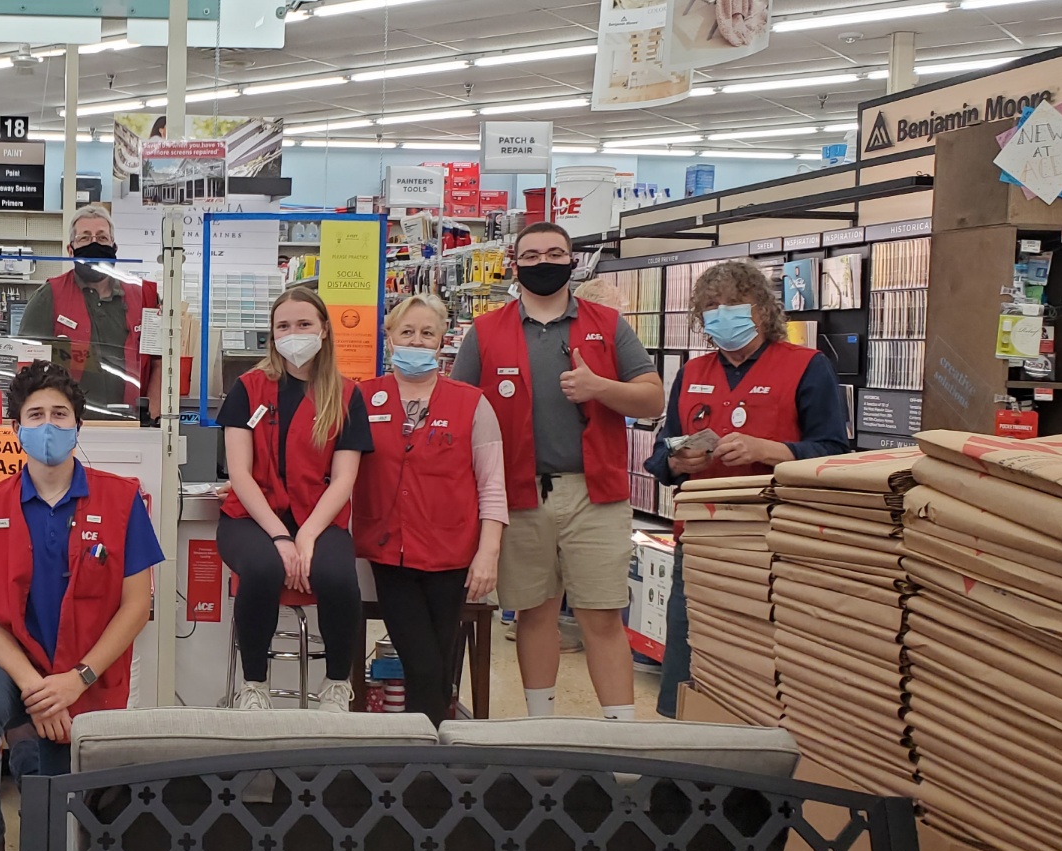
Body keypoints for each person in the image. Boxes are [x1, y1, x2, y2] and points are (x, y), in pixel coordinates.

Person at [0, 361, 162, 851]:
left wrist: (75, 681)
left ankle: (33, 766)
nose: (48, 425)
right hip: (12, 666)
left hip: (86, 674)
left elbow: (137, 606)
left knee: (53, 802)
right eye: (35, 414)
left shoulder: (121, 500)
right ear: (16, 428)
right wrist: (35, 688)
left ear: (78, 425)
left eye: (59, 414)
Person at [451, 221, 665, 720]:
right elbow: (459, 410)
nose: (543, 263)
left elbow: (653, 397)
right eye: (531, 255)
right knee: (534, 613)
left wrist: (601, 388)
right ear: (515, 266)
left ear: (572, 261)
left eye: (554, 253)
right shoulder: (486, 332)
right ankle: (539, 725)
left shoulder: (608, 325)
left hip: (596, 493)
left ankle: (621, 733)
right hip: (519, 495)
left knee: (601, 615)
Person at [647, 259, 850, 717]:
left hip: (775, 540)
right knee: (688, 653)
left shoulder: (806, 367)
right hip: (701, 539)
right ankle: (678, 741)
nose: (722, 314)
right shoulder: (692, 372)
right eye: (711, 307)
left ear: (761, 308)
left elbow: (835, 453)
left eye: (734, 304)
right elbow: (661, 453)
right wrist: (677, 460)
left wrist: (771, 450)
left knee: (763, 660)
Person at [353, 294, 507, 723]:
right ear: (388, 338)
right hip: (389, 553)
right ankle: (432, 743)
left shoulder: (472, 403)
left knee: (439, 658)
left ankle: (429, 742)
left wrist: (489, 553)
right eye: (406, 332)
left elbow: (492, 484)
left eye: (426, 333)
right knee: (422, 661)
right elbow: (334, 470)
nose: (416, 341)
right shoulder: (362, 399)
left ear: (442, 340)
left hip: (452, 554)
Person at [215, 287, 371, 711]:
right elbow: (240, 474)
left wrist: (307, 537)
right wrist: (282, 538)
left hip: (317, 518)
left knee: (338, 577)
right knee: (263, 568)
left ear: (324, 330)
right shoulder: (248, 389)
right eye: (283, 326)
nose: (294, 333)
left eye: (304, 324)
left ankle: (336, 684)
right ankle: (254, 686)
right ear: (272, 334)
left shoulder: (347, 395)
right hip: (251, 518)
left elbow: (344, 479)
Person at [19, 204, 162, 421]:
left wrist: (152, 414)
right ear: (70, 250)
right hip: (67, 423)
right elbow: (26, 365)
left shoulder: (145, 296)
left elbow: (159, 362)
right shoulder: (49, 296)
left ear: (114, 247)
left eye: (102, 238)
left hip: (132, 423)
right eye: (85, 238)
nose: (94, 244)